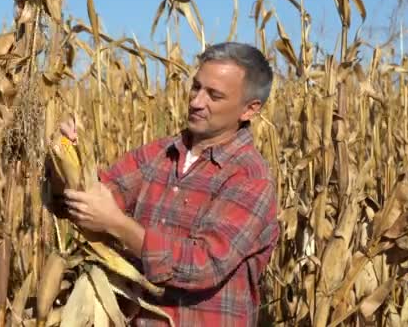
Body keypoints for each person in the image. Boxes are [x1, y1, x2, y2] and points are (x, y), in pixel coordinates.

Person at [60, 42, 279, 327]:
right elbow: (90, 199)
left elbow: (203, 264)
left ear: (249, 110)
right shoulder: (158, 154)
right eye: (196, 87)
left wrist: (116, 224)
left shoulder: (250, 177)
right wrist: (70, 157)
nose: (197, 102)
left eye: (214, 95)